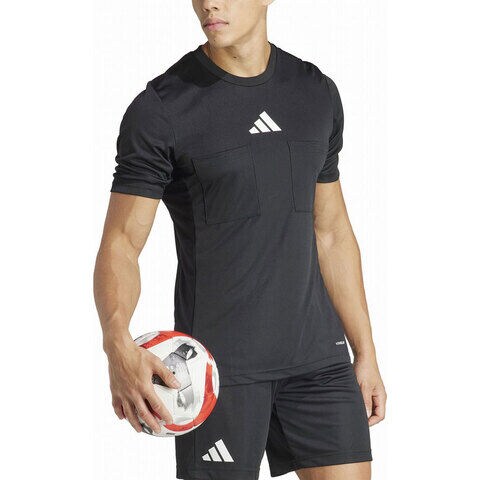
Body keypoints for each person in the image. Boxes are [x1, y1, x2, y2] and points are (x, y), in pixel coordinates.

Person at [93, 1, 386, 479]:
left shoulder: (315, 93)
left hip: (317, 360)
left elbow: (331, 232)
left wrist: (366, 353)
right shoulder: (162, 108)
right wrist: (116, 344)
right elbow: (121, 243)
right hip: (215, 371)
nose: (210, 2)